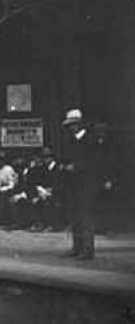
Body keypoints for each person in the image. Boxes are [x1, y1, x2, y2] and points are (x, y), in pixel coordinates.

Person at [61, 109, 108, 259]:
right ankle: (77, 247)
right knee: (75, 216)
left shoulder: (91, 140)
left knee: (86, 216)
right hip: (73, 184)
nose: (70, 128)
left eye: (73, 125)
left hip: (88, 184)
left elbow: (97, 162)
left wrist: (77, 167)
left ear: (80, 124)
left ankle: (88, 250)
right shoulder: (71, 141)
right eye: (69, 125)